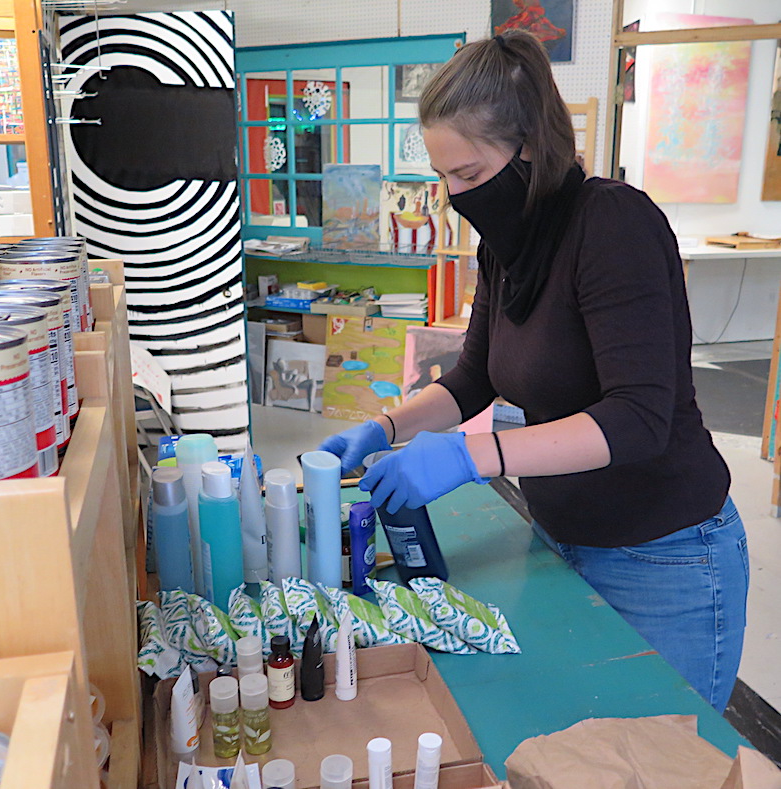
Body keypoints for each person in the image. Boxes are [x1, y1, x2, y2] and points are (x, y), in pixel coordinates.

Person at [318, 30, 748, 713]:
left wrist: (472, 455)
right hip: (561, 535)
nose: (453, 195)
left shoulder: (611, 225)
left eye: (469, 176)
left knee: (670, 752)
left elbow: (637, 418)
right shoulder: (508, 245)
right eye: (443, 176)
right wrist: (385, 425)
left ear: (531, 147)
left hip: (665, 552)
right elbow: (472, 378)